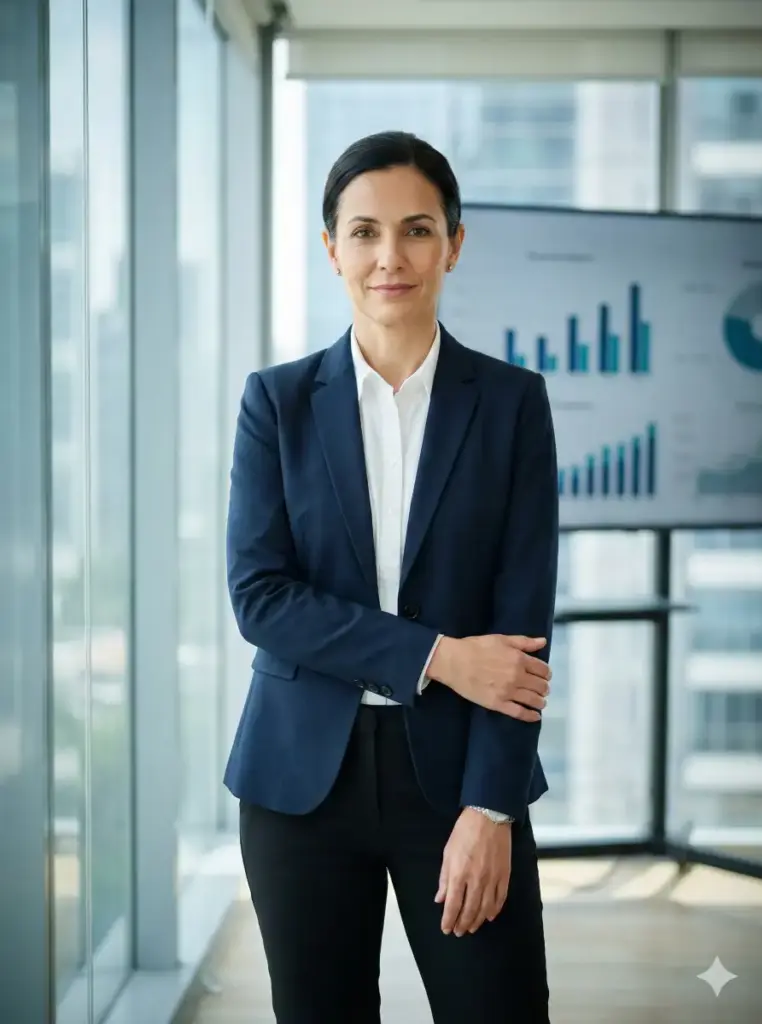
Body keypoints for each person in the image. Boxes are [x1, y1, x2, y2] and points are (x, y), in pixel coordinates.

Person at [225, 130, 559, 1024]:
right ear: (332, 248)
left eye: (415, 229)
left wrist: (490, 808)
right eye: (363, 232)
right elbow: (261, 597)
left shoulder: (512, 406)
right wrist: (438, 656)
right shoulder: (278, 402)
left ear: (453, 242)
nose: (389, 257)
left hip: (458, 776)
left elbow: (521, 627)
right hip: (301, 782)